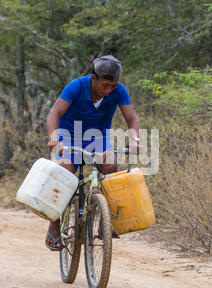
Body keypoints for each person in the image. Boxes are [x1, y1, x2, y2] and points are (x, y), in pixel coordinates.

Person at [44, 55, 141, 251]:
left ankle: (105, 221)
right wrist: (54, 137)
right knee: (64, 172)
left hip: (97, 139)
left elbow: (131, 118)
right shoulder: (76, 86)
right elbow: (54, 112)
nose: (109, 90)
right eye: (105, 85)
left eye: (113, 86)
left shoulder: (119, 91)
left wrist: (135, 140)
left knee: (111, 166)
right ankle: (54, 224)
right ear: (93, 78)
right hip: (69, 137)